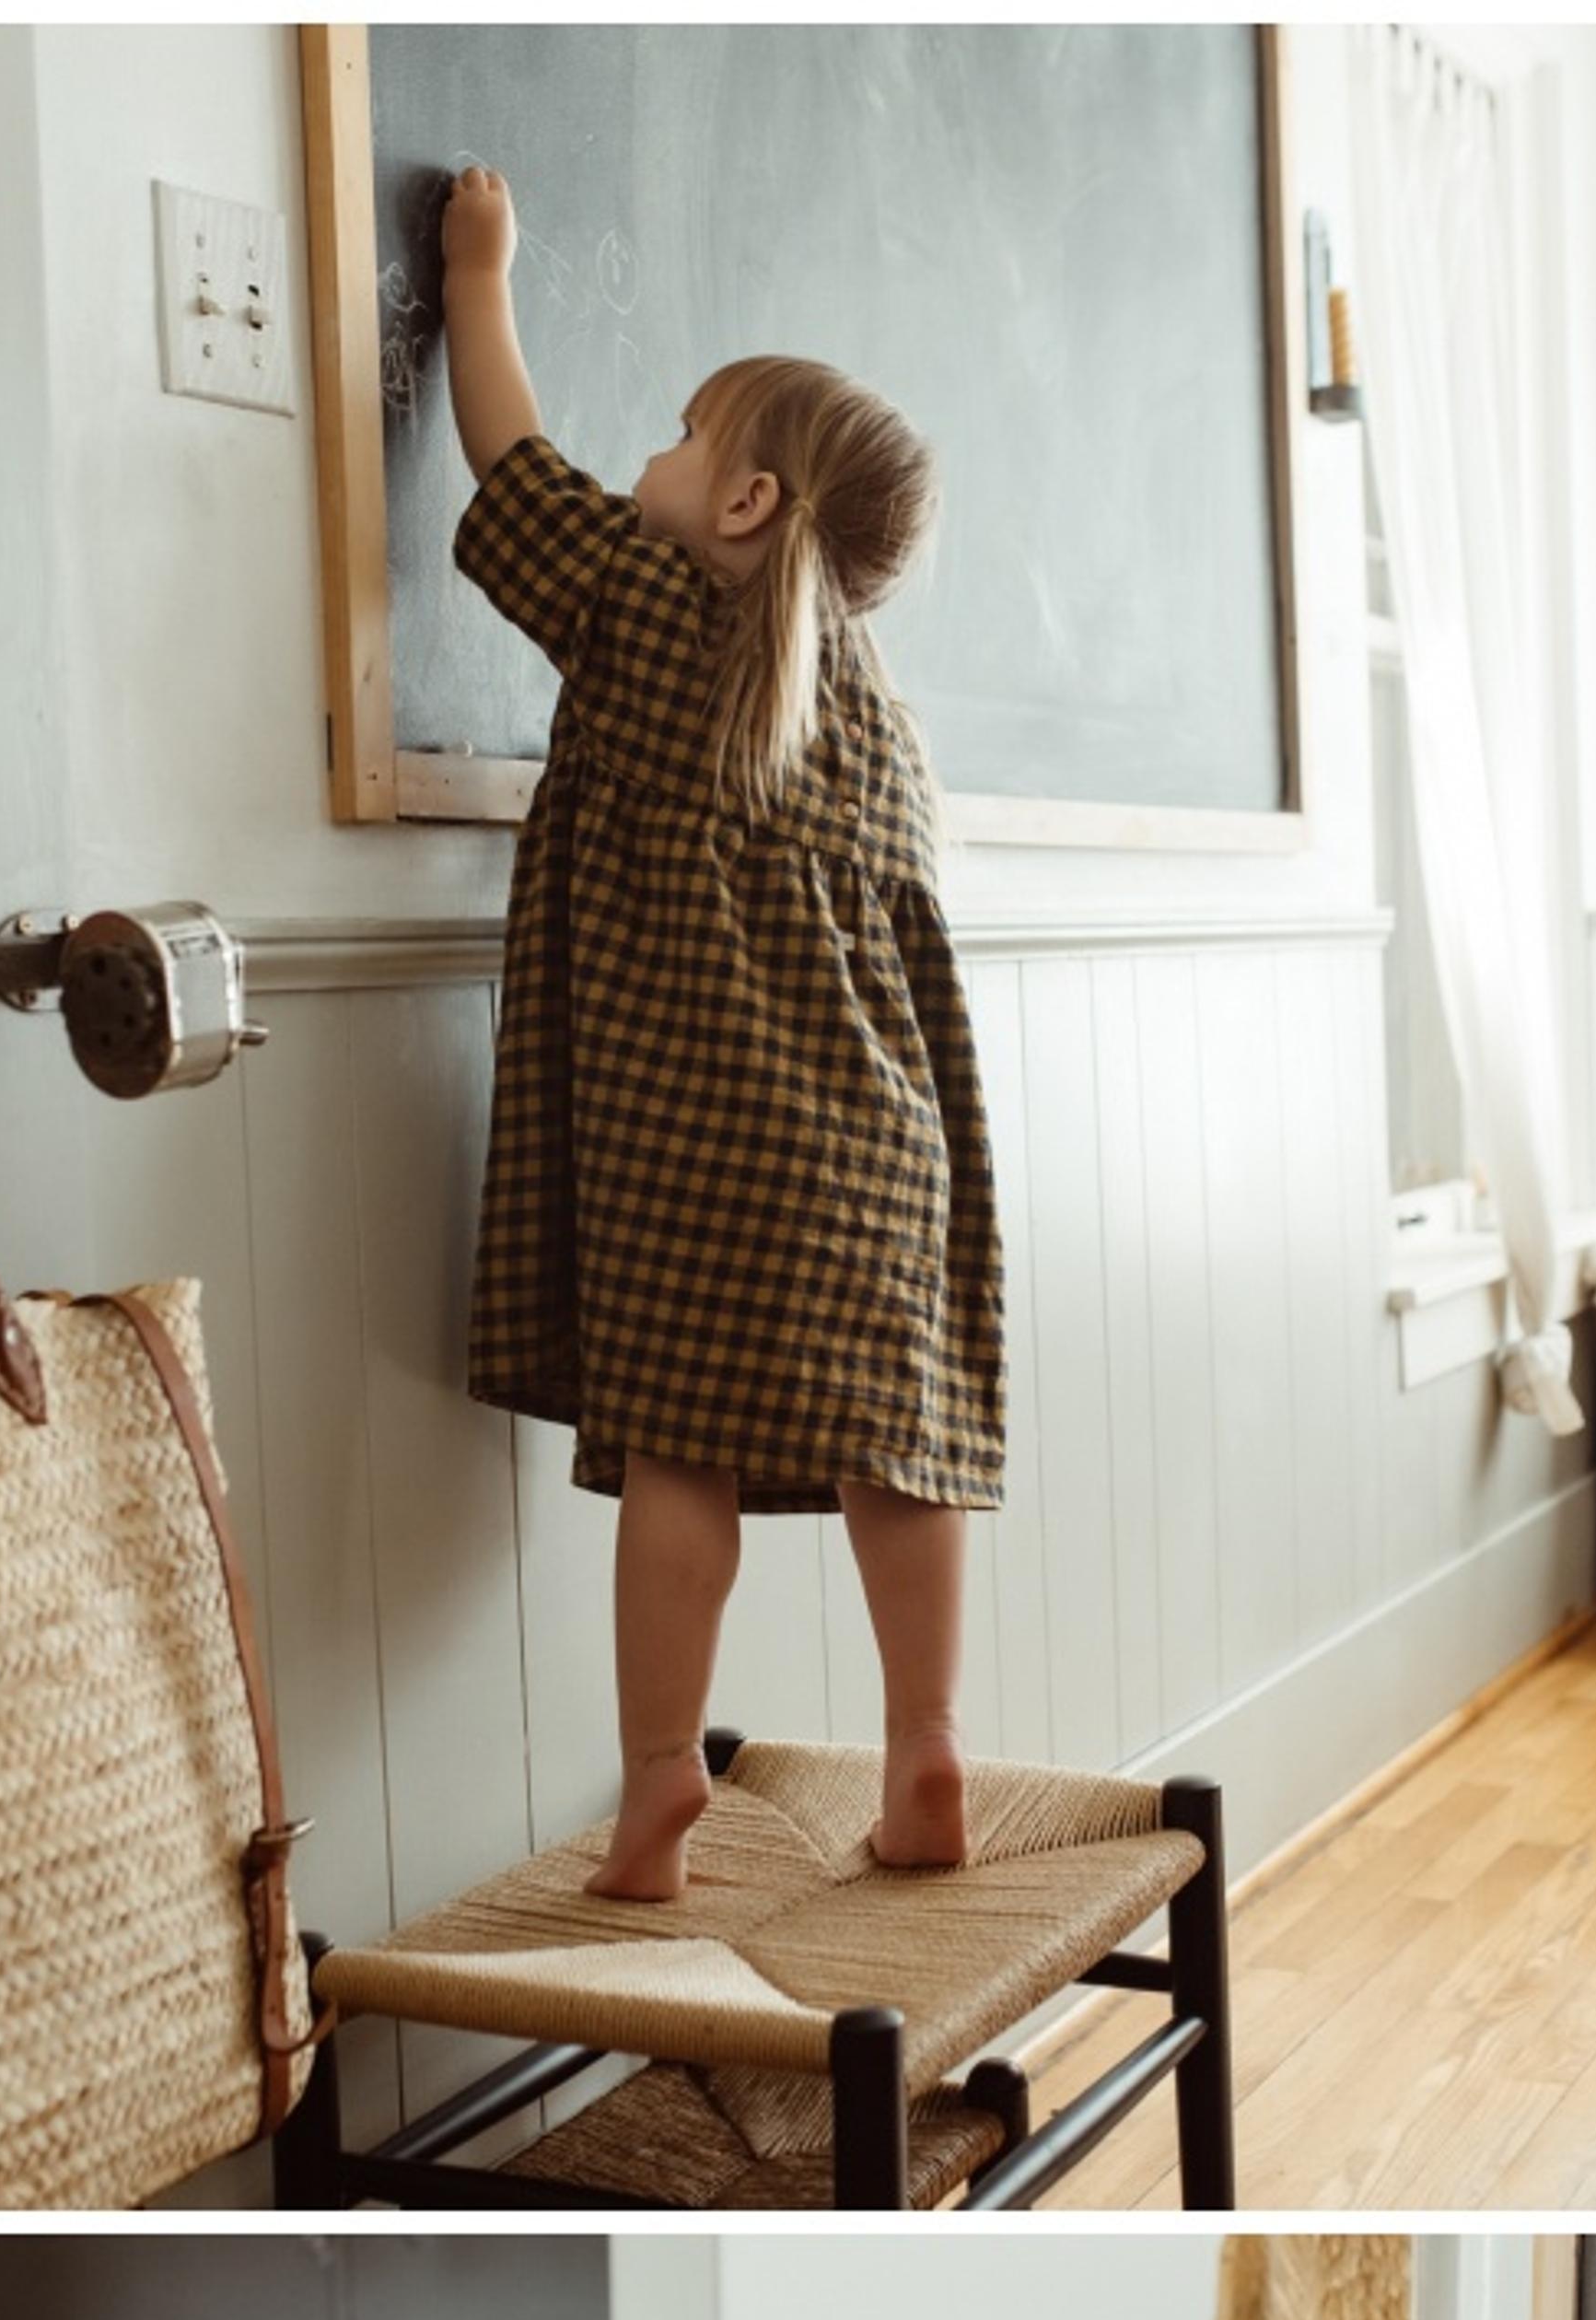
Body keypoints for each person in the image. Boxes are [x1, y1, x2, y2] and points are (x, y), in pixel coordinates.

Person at [437, 160, 1004, 1903]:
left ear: (744, 502)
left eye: (682, 438)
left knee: (678, 1457)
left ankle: (659, 1783)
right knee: (886, 1449)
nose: (647, 460)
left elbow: (503, 453)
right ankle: (925, 1746)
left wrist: (478, 277)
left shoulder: (642, 609)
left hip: (688, 1152)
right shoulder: (879, 721)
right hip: (879, 1152)